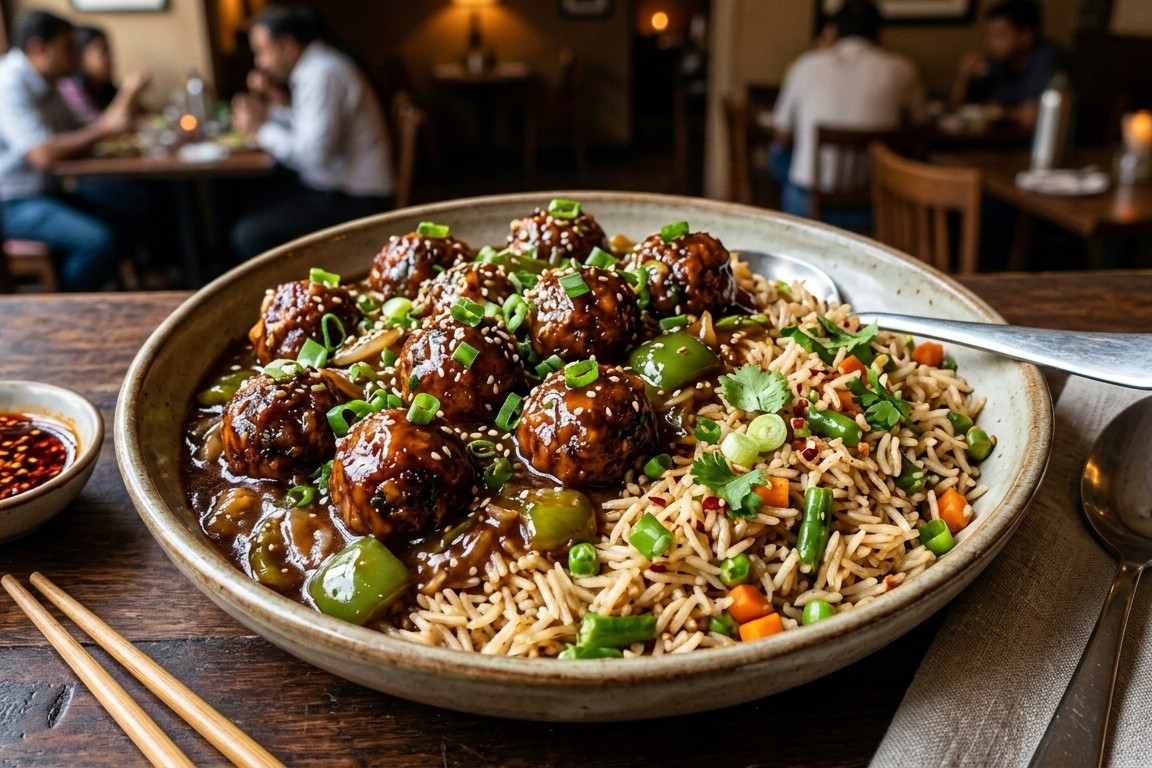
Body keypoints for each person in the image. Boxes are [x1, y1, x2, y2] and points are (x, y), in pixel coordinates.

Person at [229, 5, 393, 260]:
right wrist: (269, 113)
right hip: (337, 186)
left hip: (359, 198)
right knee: (247, 203)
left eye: (262, 51)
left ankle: (296, 293)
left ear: (287, 45)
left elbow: (314, 155)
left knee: (248, 234)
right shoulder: (317, 66)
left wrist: (259, 129)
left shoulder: (323, 72)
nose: (260, 62)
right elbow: (308, 126)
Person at [0, 11, 147, 291]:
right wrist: (105, 127)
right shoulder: (8, 84)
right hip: (12, 201)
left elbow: (84, 129)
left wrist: (114, 116)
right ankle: (65, 305)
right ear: (38, 49)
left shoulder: (49, 82)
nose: (75, 56)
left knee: (133, 205)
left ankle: (116, 291)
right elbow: (42, 154)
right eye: (68, 48)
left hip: (48, 192)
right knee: (97, 241)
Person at [770, 0, 925, 227]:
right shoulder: (902, 70)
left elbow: (781, 134)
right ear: (878, 33)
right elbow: (920, 127)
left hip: (810, 205)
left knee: (778, 155)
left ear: (834, 32)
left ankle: (783, 229)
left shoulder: (806, 65)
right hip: (875, 202)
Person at [950, 0, 1062, 131]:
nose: (989, 43)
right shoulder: (1000, 62)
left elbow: (1031, 117)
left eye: (999, 35)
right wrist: (963, 77)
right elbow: (958, 106)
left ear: (1025, 37)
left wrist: (999, 111)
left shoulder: (1046, 59)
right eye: (989, 35)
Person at [57, 26, 150, 125]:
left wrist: (135, 95)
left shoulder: (103, 86)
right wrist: (128, 92)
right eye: (104, 51)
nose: (111, 58)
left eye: (110, 51)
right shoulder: (70, 89)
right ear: (80, 57)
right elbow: (100, 129)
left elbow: (140, 116)